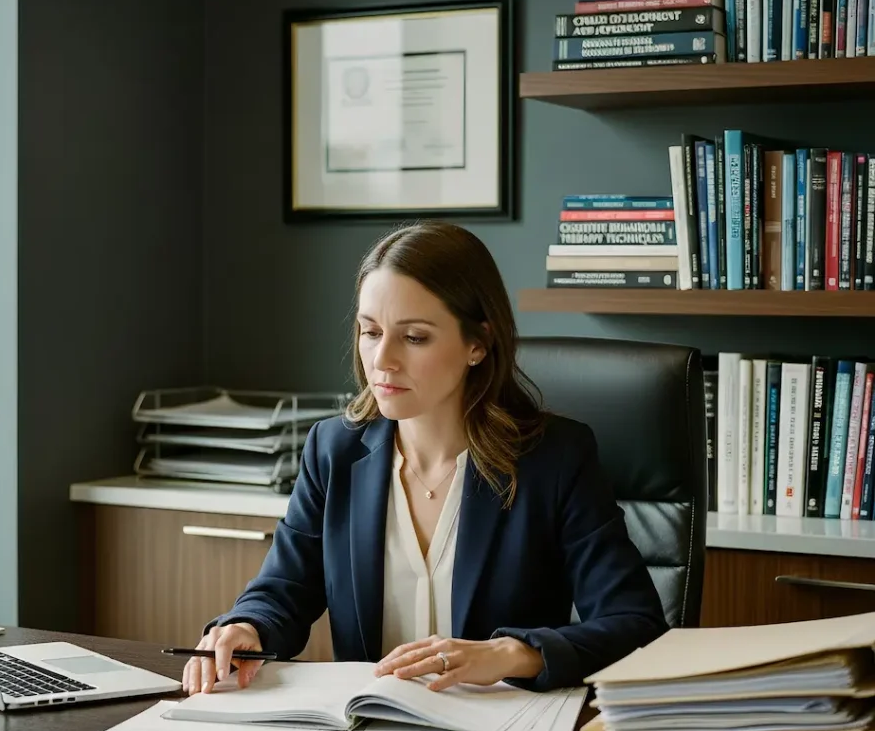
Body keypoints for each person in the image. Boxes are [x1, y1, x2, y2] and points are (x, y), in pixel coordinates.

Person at [184, 221, 668, 696]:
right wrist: (246, 626)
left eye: (414, 337)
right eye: (370, 332)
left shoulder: (556, 459)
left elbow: (634, 623)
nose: (382, 360)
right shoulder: (333, 451)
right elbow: (282, 590)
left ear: (477, 343)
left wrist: (510, 654)